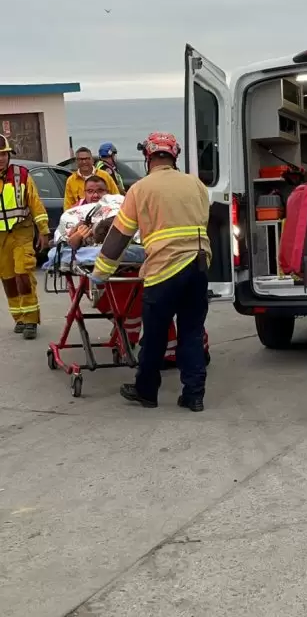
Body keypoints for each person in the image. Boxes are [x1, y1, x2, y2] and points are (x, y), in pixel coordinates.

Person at [91, 131, 211, 411]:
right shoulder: (196, 184)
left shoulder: (140, 189)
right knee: (192, 332)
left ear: (148, 157)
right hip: (198, 266)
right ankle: (194, 395)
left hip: (164, 270)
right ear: (174, 156)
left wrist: (100, 273)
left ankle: (146, 391)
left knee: (155, 334)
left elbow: (119, 236)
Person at [0, 134, 49, 339]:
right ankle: (18, 318)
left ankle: (30, 320)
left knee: (23, 275)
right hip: (1, 238)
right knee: (8, 278)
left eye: (4, 154)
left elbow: (35, 204)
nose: (1, 158)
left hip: (21, 232)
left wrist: (44, 230)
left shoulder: (21, 175)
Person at [55, 173, 110, 250]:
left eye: (100, 191)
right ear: (84, 193)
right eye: (90, 191)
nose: (95, 195)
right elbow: (65, 244)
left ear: (107, 192)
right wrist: (76, 237)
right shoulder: (73, 212)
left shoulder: (116, 208)